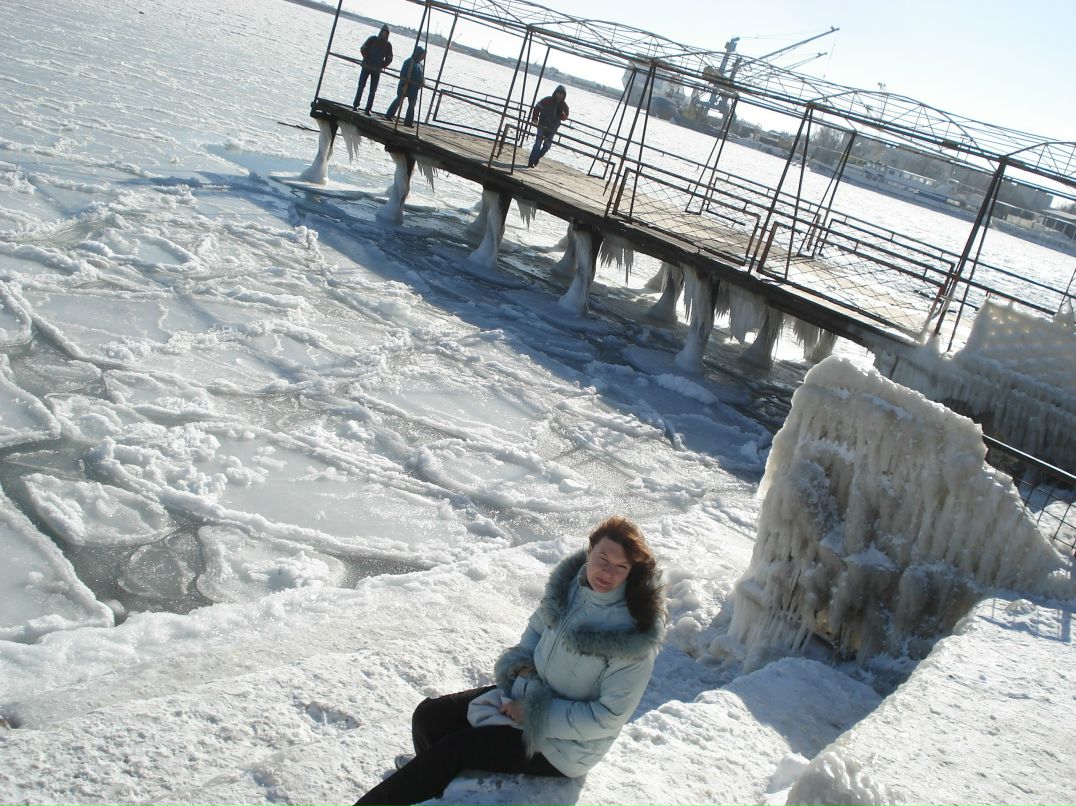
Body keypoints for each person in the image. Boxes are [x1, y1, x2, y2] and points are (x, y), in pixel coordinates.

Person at [352, 516, 664, 806]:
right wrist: (522, 669)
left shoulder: (633, 634)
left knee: (454, 749)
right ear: (590, 551)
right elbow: (537, 628)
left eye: (620, 568)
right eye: (603, 560)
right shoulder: (572, 587)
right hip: (529, 691)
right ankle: (434, 785)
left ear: (631, 571)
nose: (607, 573)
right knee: (429, 717)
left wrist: (533, 713)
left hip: (563, 746)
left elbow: (606, 717)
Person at [353, 25, 393, 114]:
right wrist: (367, 58)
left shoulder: (388, 45)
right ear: (381, 31)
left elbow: (390, 58)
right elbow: (363, 48)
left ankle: (368, 109)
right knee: (361, 86)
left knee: (373, 90)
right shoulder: (373, 39)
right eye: (384, 32)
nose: (385, 34)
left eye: (387, 33)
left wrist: (383, 64)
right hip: (367, 66)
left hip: (376, 70)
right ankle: (356, 105)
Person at [527, 85, 569, 168]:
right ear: (555, 93)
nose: (560, 95)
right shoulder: (547, 100)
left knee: (546, 146)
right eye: (558, 93)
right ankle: (530, 162)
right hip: (542, 125)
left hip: (552, 129)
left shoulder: (564, 106)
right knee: (537, 144)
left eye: (562, 94)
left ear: (564, 95)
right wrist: (535, 119)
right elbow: (537, 108)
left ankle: (537, 157)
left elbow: (565, 117)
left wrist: (562, 114)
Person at [385, 47, 426, 127]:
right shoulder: (408, 62)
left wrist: (422, 82)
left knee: (412, 105)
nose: (423, 57)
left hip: (414, 89)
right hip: (406, 85)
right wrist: (404, 83)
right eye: (422, 55)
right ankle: (389, 115)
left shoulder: (420, 65)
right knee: (399, 100)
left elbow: (422, 76)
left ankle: (408, 121)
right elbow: (403, 74)